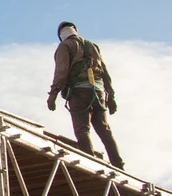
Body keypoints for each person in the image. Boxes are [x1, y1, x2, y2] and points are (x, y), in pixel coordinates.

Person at [46, 21, 124, 169]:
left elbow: (61, 72)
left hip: (79, 93)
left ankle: (92, 165)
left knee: (82, 129)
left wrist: (53, 94)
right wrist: (111, 96)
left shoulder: (65, 46)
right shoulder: (92, 46)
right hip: (98, 92)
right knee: (104, 129)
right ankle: (119, 165)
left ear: (61, 35)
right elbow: (104, 72)